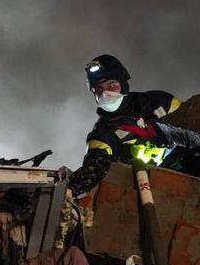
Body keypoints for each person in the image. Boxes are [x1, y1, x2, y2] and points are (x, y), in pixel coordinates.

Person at [66, 55, 181, 196]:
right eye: (98, 90)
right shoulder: (102, 135)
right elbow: (92, 171)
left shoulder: (161, 101)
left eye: (111, 85)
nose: (105, 94)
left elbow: (199, 125)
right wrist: (66, 190)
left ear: (123, 83)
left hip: (189, 175)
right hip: (145, 194)